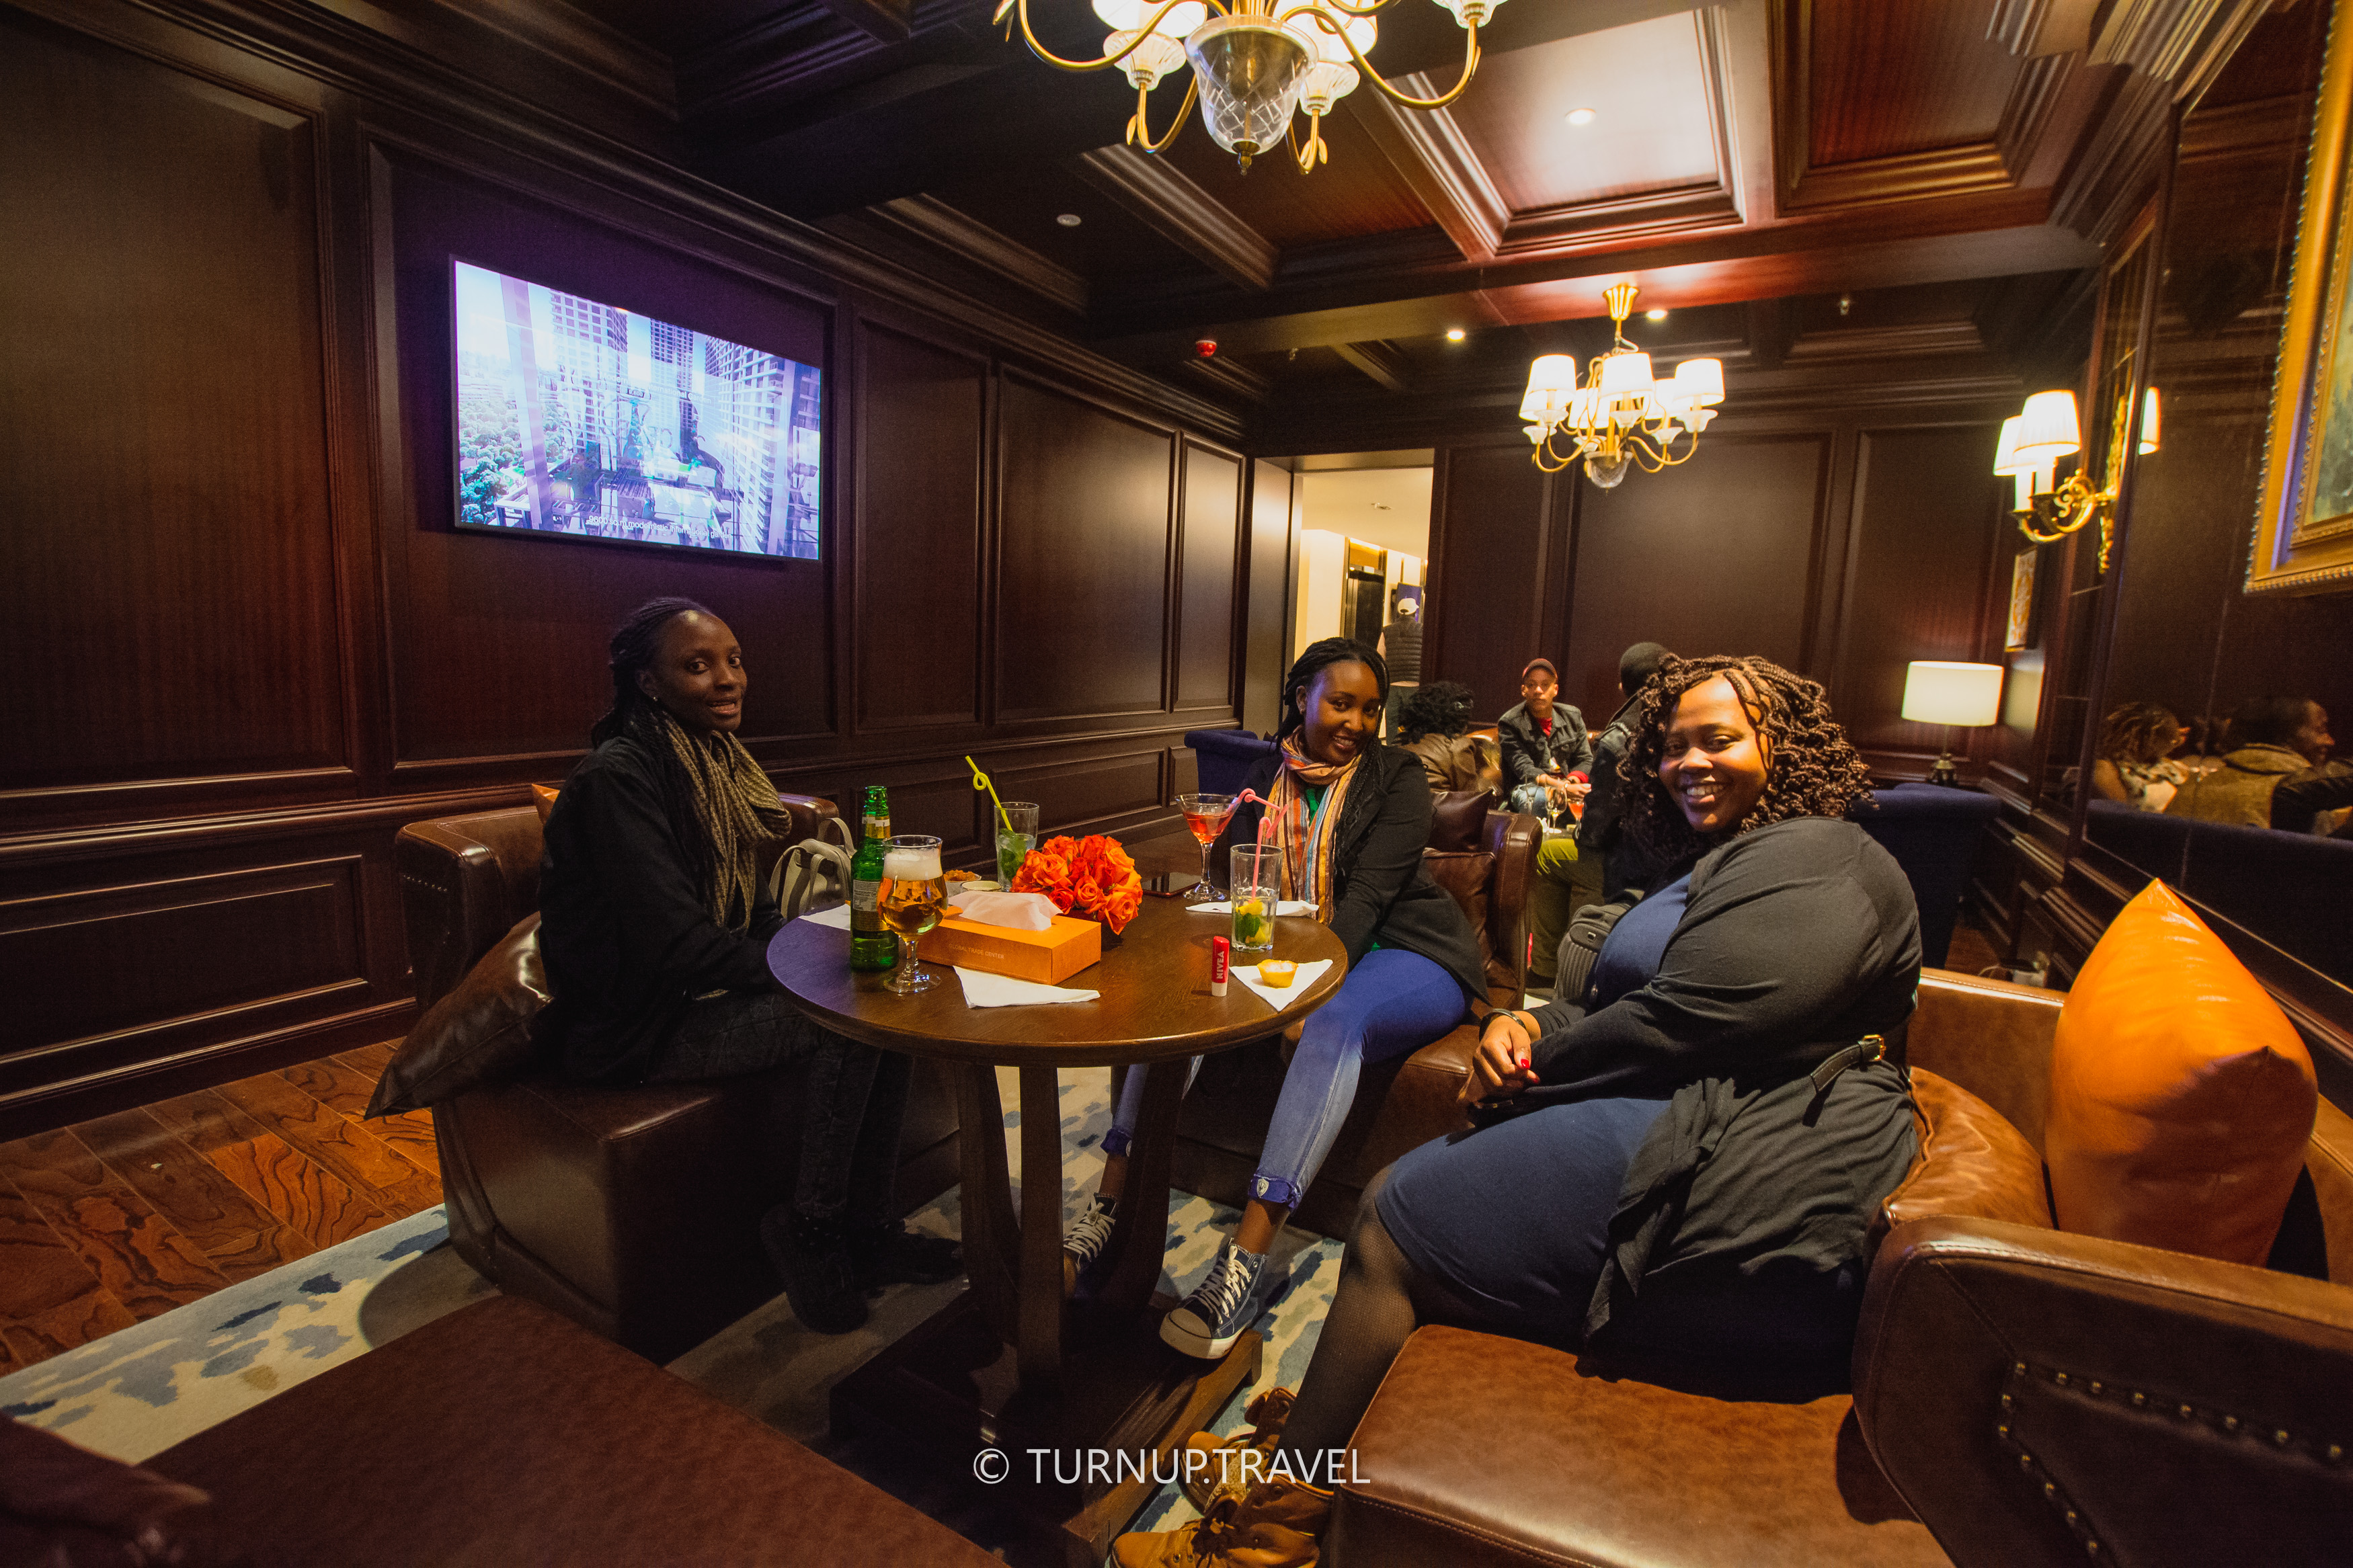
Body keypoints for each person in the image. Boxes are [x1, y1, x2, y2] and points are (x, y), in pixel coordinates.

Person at [1113, 655, 1920, 1568]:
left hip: (1756, 1155)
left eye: (1720, 740)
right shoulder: (1724, 857)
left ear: (1787, 748)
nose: (1688, 762)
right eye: (1673, 745)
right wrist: (1526, 1022)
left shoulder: (1823, 852)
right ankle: (1314, 1451)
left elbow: (1693, 1017)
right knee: (1412, 1193)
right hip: (1690, 1101)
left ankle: (1272, 1537)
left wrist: (1532, 1064)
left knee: (1391, 1216)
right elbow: (1635, 997)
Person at [536, 597, 959, 1336]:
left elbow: (756, 914)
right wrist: (814, 970)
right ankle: (813, 1229)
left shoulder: (715, 766)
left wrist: (823, 955)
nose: (727, 678)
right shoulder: (617, 780)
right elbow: (678, 947)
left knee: (882, 993)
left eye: (733, 660)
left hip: (697, 994)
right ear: (649, 683)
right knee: (853, 1013)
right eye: (698, 665)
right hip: (638, 1024)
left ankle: (870, 1230)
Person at [1062, 638, 1488, 1362]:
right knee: (1188, 991)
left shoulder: (1397, 777)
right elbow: (1243, 885)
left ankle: (1245, 1259)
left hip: (1407, 950)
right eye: (1340, 702)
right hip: (1294, 941)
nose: (1356, 722)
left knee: (1330, 1019)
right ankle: (1110, 1203)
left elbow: (1367, 898)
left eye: (1370, 709)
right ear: (1301, 698)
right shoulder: (1264, 774)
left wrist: (1302, 991)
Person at [1527, 642, 1671, 986]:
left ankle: (1546, 970)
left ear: (1623, 686)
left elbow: (1595, 830)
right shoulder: (1680, 717)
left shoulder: (1619, 736)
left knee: (1546, 853)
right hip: (1674, 855)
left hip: (1632, 862)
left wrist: (1578, 825)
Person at [2166, 696, 2353, 831]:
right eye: (2321, 730)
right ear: (2285, 735)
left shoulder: (2192, 788)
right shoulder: (2302, 794)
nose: (2330, 741)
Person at [1497, 658, 1591, 823]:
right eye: (1531, 685)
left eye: (1545, 685)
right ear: (1523, 690)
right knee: (1539, 798)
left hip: (1568, 782)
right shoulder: (1510, 723)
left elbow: (1585, 759)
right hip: (1528, 787)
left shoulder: (1573, 716)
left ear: (1555, 690)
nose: (1538, 690)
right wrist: (1561, 788)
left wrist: (1571, 782)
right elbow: (1525, 770)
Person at [1393, 679, 1499, 796]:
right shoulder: (1457, 746)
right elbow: (1470, 798)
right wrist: (1489, 777)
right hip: (1434, 807)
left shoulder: (1401, 740)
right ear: (1460, 719)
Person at [2089, 702, 2188, 813]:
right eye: (2173, 741)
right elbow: (2120, 815)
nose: (2177, 744)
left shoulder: (2161, 765)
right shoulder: (2106, 769)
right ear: (2152, 740)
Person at [1376, 586, 1424, 740]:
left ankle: (1392, 747)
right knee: (1413, 720)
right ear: (1414, 612)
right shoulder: (1423, 630)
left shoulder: (1387, 631)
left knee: (1392, 721)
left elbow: (1380, 656)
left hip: (1393, 683)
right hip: (1415, 683)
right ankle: (1411, 748)